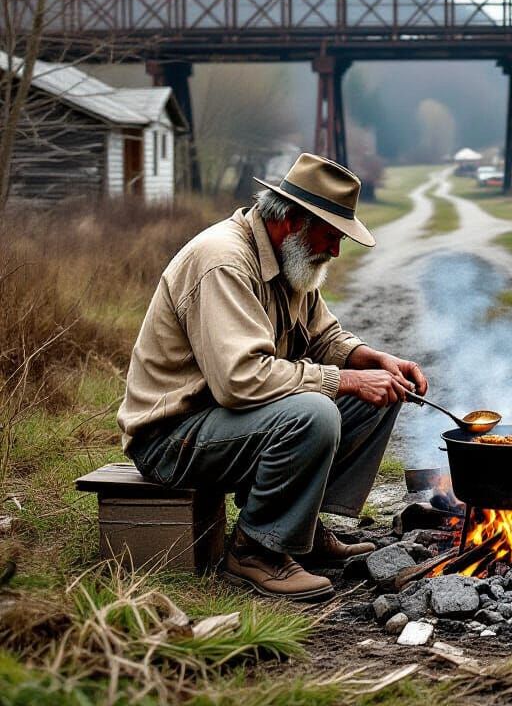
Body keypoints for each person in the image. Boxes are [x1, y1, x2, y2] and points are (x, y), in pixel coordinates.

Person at [117, 153, 427, 601]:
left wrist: (370, 359)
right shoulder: (222, 262)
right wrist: (342, 381)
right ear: (292, 222)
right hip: (172, 437)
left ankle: (297, 528)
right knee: (314, 412)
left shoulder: (290, 257)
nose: (336, 250)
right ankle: (256, 551)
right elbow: (240, 381)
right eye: (330, 236)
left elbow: (324, 335)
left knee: (377, 393)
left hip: (227, 422)